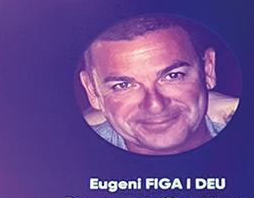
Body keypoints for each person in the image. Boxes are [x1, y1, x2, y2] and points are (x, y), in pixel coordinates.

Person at [79, 14, 237, 155]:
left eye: (173, 76)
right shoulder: (69, 159)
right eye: (122, 85)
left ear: (207, 70)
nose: (155, 105)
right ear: (93, 91)